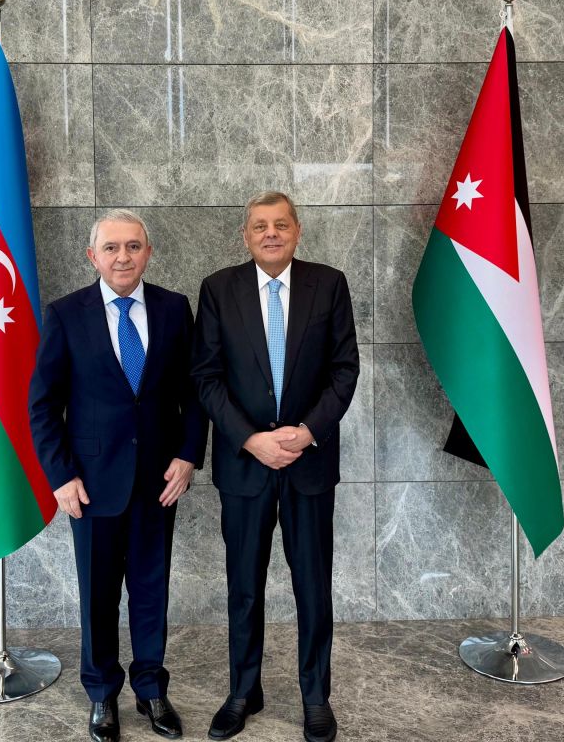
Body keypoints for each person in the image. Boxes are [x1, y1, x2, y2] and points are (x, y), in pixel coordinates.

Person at [29, 210, 206, 742]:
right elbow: (43, 405)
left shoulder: (174, 309)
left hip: (159, 481)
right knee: (98, 595)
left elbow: (194, 392)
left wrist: (188, 456)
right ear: (93, 256)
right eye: (111, 248)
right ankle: (102, 693)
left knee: (151, 592)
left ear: (148, 252)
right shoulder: (66, 315)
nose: (123, 257)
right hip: (90, 485)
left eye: (133, 246)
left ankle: (151, 689)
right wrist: (60, 476)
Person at [191, 191, 360, 742]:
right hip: (246, 467)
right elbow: (206, 377)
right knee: (244, 586)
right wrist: (251, 440)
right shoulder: (219, 289)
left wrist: (308, 432)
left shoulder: (328, 285)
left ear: (297, 231)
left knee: (313, 586)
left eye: (281, 225)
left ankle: (316, 696)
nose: (271, 233)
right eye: (260, 226)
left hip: (310, 465)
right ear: (245, 236)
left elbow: (345, 369)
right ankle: (244, 691)